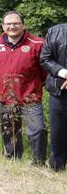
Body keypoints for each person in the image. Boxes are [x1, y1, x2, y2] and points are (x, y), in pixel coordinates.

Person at [0, 11, 46, 163]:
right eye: (8, 24)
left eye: (16, 23)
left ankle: (38, 163)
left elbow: (44, 70)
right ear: (3, 26)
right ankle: (13, 160)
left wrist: (34, 86)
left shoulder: (37, 44)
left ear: (23, 25)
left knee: (37, 130)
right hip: (6, 96)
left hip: (30, 96)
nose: (12, 26)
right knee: (9, 131)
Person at [40, 22, 67, 171]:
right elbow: (45, 59)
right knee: (59, 130)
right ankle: (57, 167)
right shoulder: (55, 31)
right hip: (59, 90)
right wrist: (64, 73)